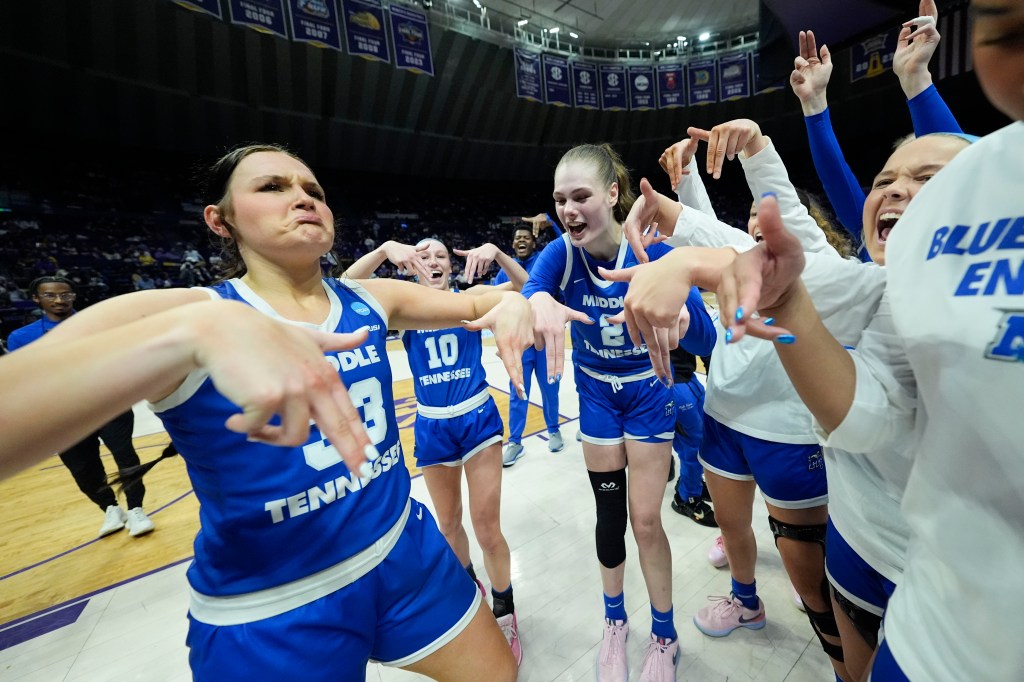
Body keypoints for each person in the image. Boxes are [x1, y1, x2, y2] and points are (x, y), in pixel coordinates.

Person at [35, 144, 532, 681]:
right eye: (272, 187)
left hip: (400, 549)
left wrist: (520, 306)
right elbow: (28, 394)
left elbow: (486, 302)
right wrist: (200, 330)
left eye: (313, 191)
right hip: (272, 603)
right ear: (220, 221)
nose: (301, 198)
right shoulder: (186, 313)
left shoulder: (371, 297)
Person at [524, 143, 716, 681]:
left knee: (647, 520)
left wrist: (681, 316)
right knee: (609, 518)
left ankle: (664, 634)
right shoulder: (561, 254)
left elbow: (705, 334)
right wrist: (533, 301)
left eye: (580, 196)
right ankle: (614, 623)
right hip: (597, 396)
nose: (568, 209)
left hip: (646, 392)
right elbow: (534, 290)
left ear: (612, 194)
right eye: (560, 199)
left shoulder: (652, 251)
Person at [343, 237, 529, 664]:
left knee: (487, 527)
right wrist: (385, 248)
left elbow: (528, 284)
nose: (433, 261)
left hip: (477, 417)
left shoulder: (472, 298)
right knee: (448, 525)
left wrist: (499, 254)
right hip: (431, 424)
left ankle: (505, 609)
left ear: (453, 265)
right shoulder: (403, 308)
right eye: (423, 256)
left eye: (441, 255)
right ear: (411, 267)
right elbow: (347, 287)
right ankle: (471, 592)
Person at [788, 0, 966, 260]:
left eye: (925, 179)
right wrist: (813, 105)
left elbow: (955, 163)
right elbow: (835, 177)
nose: (893, 190)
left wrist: (915, 78)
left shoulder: (971, 227)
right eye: (884, 181)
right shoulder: (868, 230)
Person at [6, 276, 155, 538]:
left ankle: (136, 509)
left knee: (126, 458)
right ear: (36, 299)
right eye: (50, 295)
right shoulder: (21, 337)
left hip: (108, 404)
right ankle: (110, 508)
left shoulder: (99, 324)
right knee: (82, 468)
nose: (59, 300)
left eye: (65, 294)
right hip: (62, 415)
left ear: (74, 296)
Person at [493, 225, 565, 465]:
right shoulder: (504, 273)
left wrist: (549, 221)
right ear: (512, 244)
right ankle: (515, 441)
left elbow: (567, 243)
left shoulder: (544, 263)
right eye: (517, 238)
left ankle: (553, 429)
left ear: (534, 242)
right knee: (518, 392)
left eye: (526, 237)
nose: (521, 240)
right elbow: (496, 309)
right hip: (520, 344)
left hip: (544, 340)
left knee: (550, 388)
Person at [666, 346, 717, 527]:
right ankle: (686, 498)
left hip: (690, 379)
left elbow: (704, 345)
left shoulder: (688, 316)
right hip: (674, 386)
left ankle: (691, 484)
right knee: (692, 448)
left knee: (707, 440)